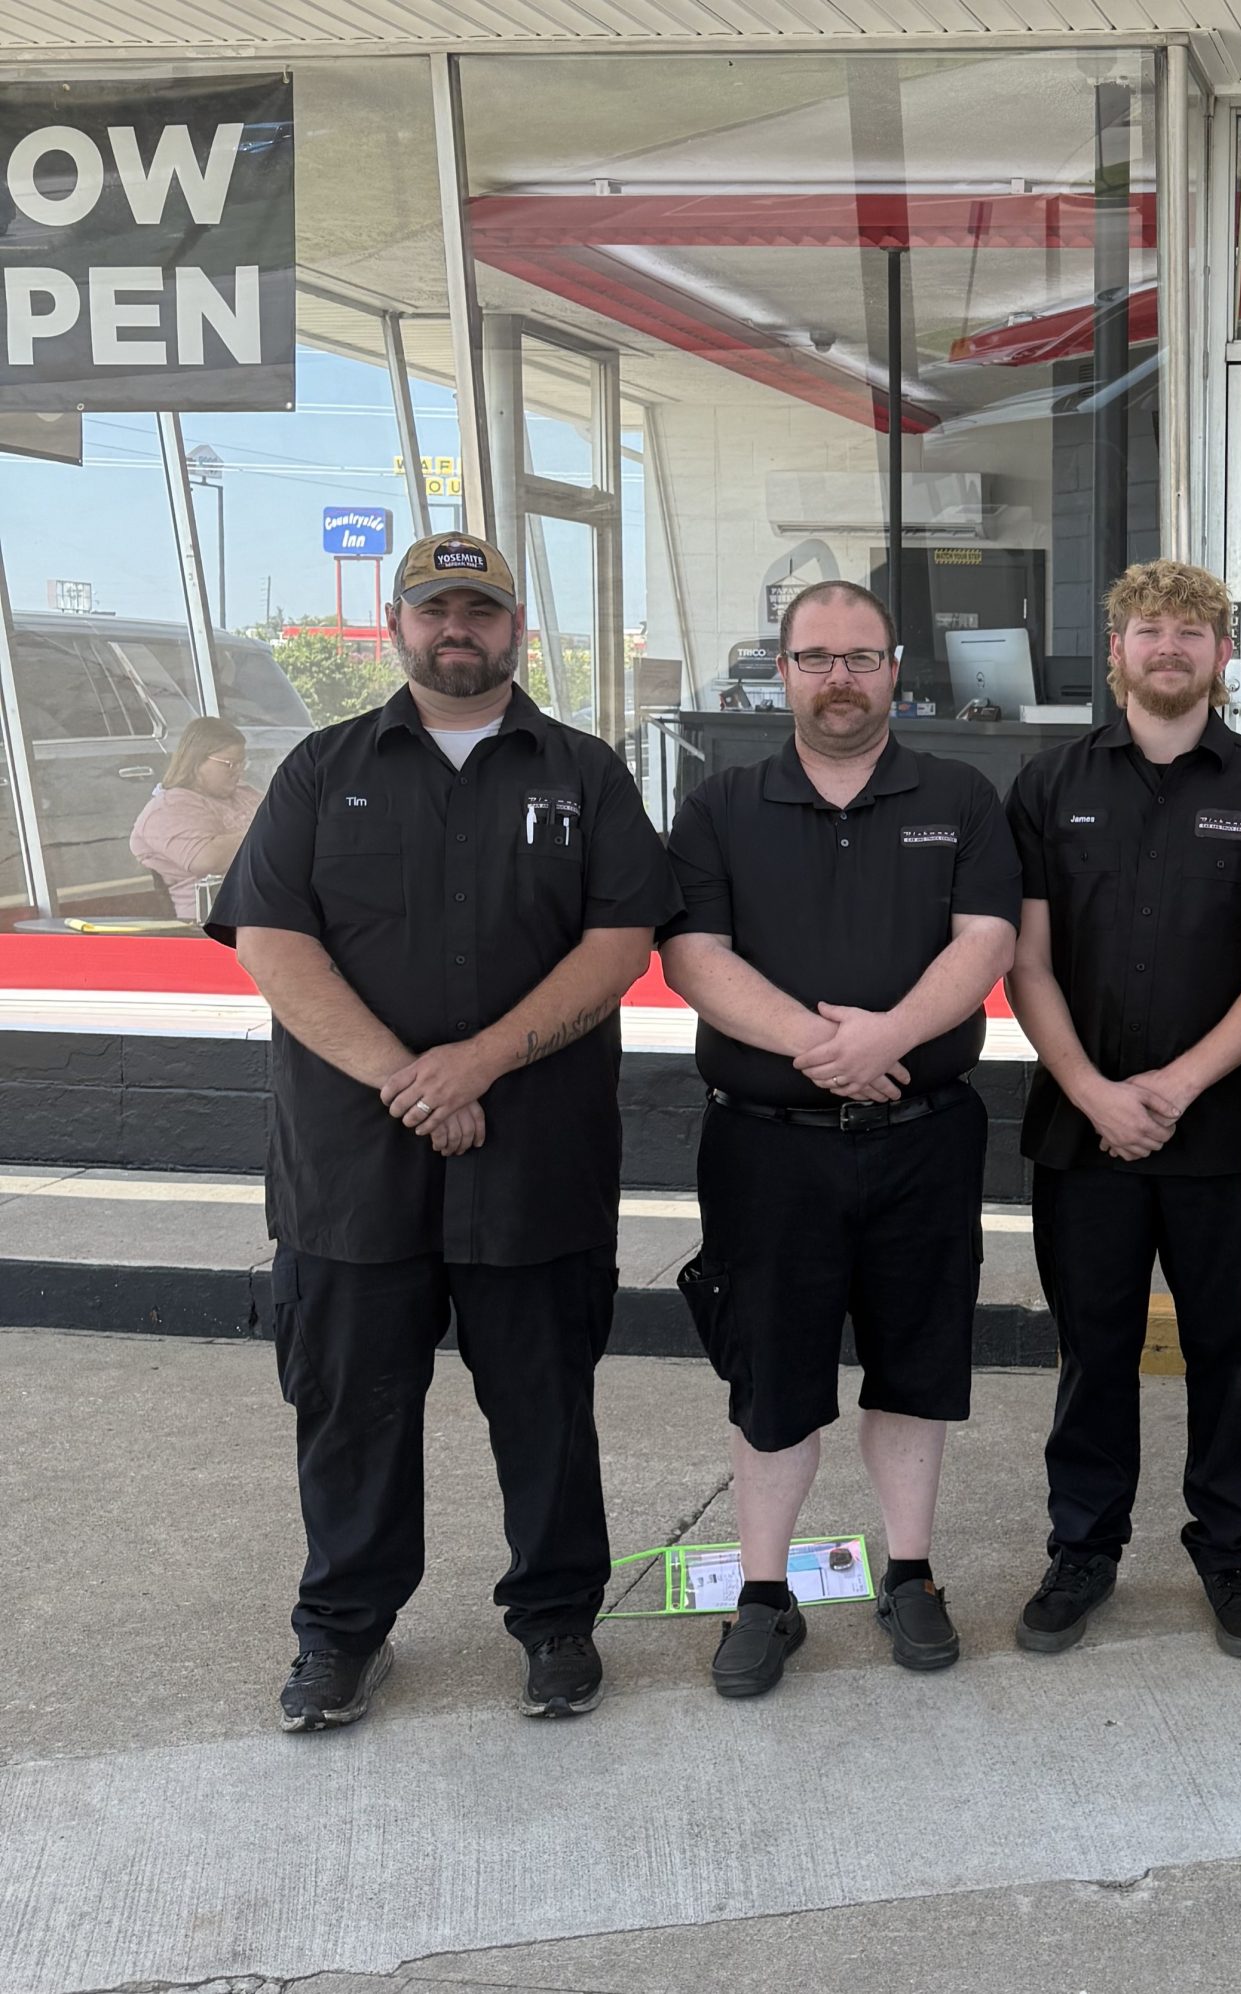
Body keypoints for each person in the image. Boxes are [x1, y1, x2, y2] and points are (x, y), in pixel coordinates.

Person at [209, 531, 680, 1733]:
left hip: (536, 1165)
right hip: (352, 1173)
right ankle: (341, 1633)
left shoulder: (584, 774)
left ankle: (557, 1623)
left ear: (517, 627)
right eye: (434, 608)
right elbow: (271, 940)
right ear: (398, 625)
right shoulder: (321, 768)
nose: (455, 627)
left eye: (479, 608)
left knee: (545, 1410)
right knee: (349, 1412)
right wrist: (410, 1079)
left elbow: (619, 943)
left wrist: (478, 1061)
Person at [660, 580, 1019, 1697]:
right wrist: (826, 1048)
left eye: (861, 657)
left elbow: (986, 938)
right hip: (768, 1146)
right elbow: (693, 956)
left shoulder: (958, 795)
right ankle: (764, 1594)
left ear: (895, 669)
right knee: (771, 1377)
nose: (840, 679)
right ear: (782, 671)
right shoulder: (721, 804)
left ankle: (910, 1572)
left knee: (916, 1369)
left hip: (924, 1137)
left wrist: (891, 1038)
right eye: (815, 658)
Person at [1002, 561, 1241, 1659]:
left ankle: (1231, 1551)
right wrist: (1092, 1091)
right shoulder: (1048, 785)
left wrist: (1175, 1087)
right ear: (1116, 651)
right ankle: (1083, 1548)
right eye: (1147, 628)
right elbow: (1024, 959)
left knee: (1227, 1347)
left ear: (1224, 655)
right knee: (1094, 1347)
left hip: (1223, 1130)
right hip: (1081, 1129)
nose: (1167, 646)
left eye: (1190, 630)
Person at [131, 716, 261, 920]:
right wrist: (275, 831)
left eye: (242, 763)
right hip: (217, 920)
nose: (239, 772)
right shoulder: (168, 808)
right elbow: (209, 859)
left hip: (271, 908)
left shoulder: (245, 792)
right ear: (196, 761)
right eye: (230, 764)